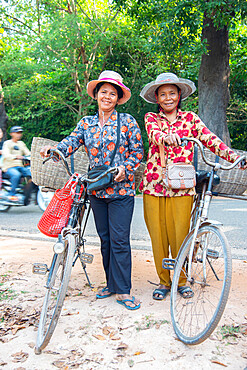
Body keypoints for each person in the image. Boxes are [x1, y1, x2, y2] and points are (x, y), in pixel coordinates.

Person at [40, 70, 144, 310]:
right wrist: (55, 150)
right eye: (103, 92)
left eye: (112, 93)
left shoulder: (127, 121)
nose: (107, 96)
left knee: (120, 240)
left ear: (118, 98)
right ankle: (111, 284)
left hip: (122, 191)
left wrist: (125, 169)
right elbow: (72, 141)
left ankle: (124, 290)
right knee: (105, 240)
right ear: (96, 95)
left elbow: (137, 152)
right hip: (96, 190)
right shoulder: (86, 123)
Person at [139, 72, 247, 301]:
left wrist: (234, 158)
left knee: (181, 235)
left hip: (182, 185)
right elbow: (153, 134)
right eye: (163, 94)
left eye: (172, 93)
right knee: (158, 238)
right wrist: (165, 137)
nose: (168, 98)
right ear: (157, 99)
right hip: (153, 185)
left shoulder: (191, 119)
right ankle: (163, 281)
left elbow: (212, 140)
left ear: (179, 95)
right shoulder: (151, 118)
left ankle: (180, 280)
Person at [2, 126, 31, 202]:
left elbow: (28, 153)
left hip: (20, 166)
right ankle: (12, 194)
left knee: (31, 174)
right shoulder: (7, 143)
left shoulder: (21, 144)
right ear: (11, 134)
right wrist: (16, 156)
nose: (19, 134)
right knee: (16, 175)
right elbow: (6, 154)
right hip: (9, 167)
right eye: (17, 133)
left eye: (20, 133)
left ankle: (27, 193)